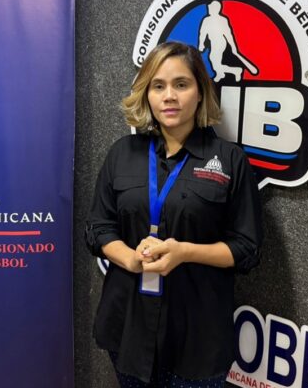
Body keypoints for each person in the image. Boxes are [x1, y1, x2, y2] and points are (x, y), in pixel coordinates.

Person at [85, 41, 262, 387]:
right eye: (158, 86)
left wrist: (184, 252)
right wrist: (130, 258)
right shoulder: (122, 153)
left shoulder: (230, 160)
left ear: (201, 92)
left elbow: (247, 248)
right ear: (147, 94)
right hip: (128, 329)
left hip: (197, 338)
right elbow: (98, 227)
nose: (169, 96)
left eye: (181, 84)